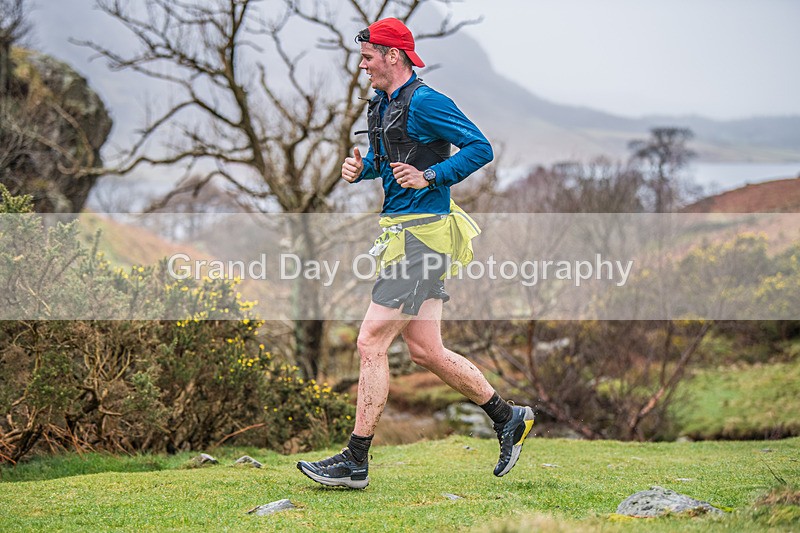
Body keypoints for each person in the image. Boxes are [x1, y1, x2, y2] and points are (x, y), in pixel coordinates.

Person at [297, 17, 534, 489]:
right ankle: (509, 417)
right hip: (404, 235)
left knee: (370, 343)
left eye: (368, 57)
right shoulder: (381, 105)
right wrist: (362, 168)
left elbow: (479, 148)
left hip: (422, 238)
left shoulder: (427, 101)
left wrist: (432, 177)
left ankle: (355, 460)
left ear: (393, 56)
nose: (362, 66)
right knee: (426, 350)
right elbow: (388, 163)